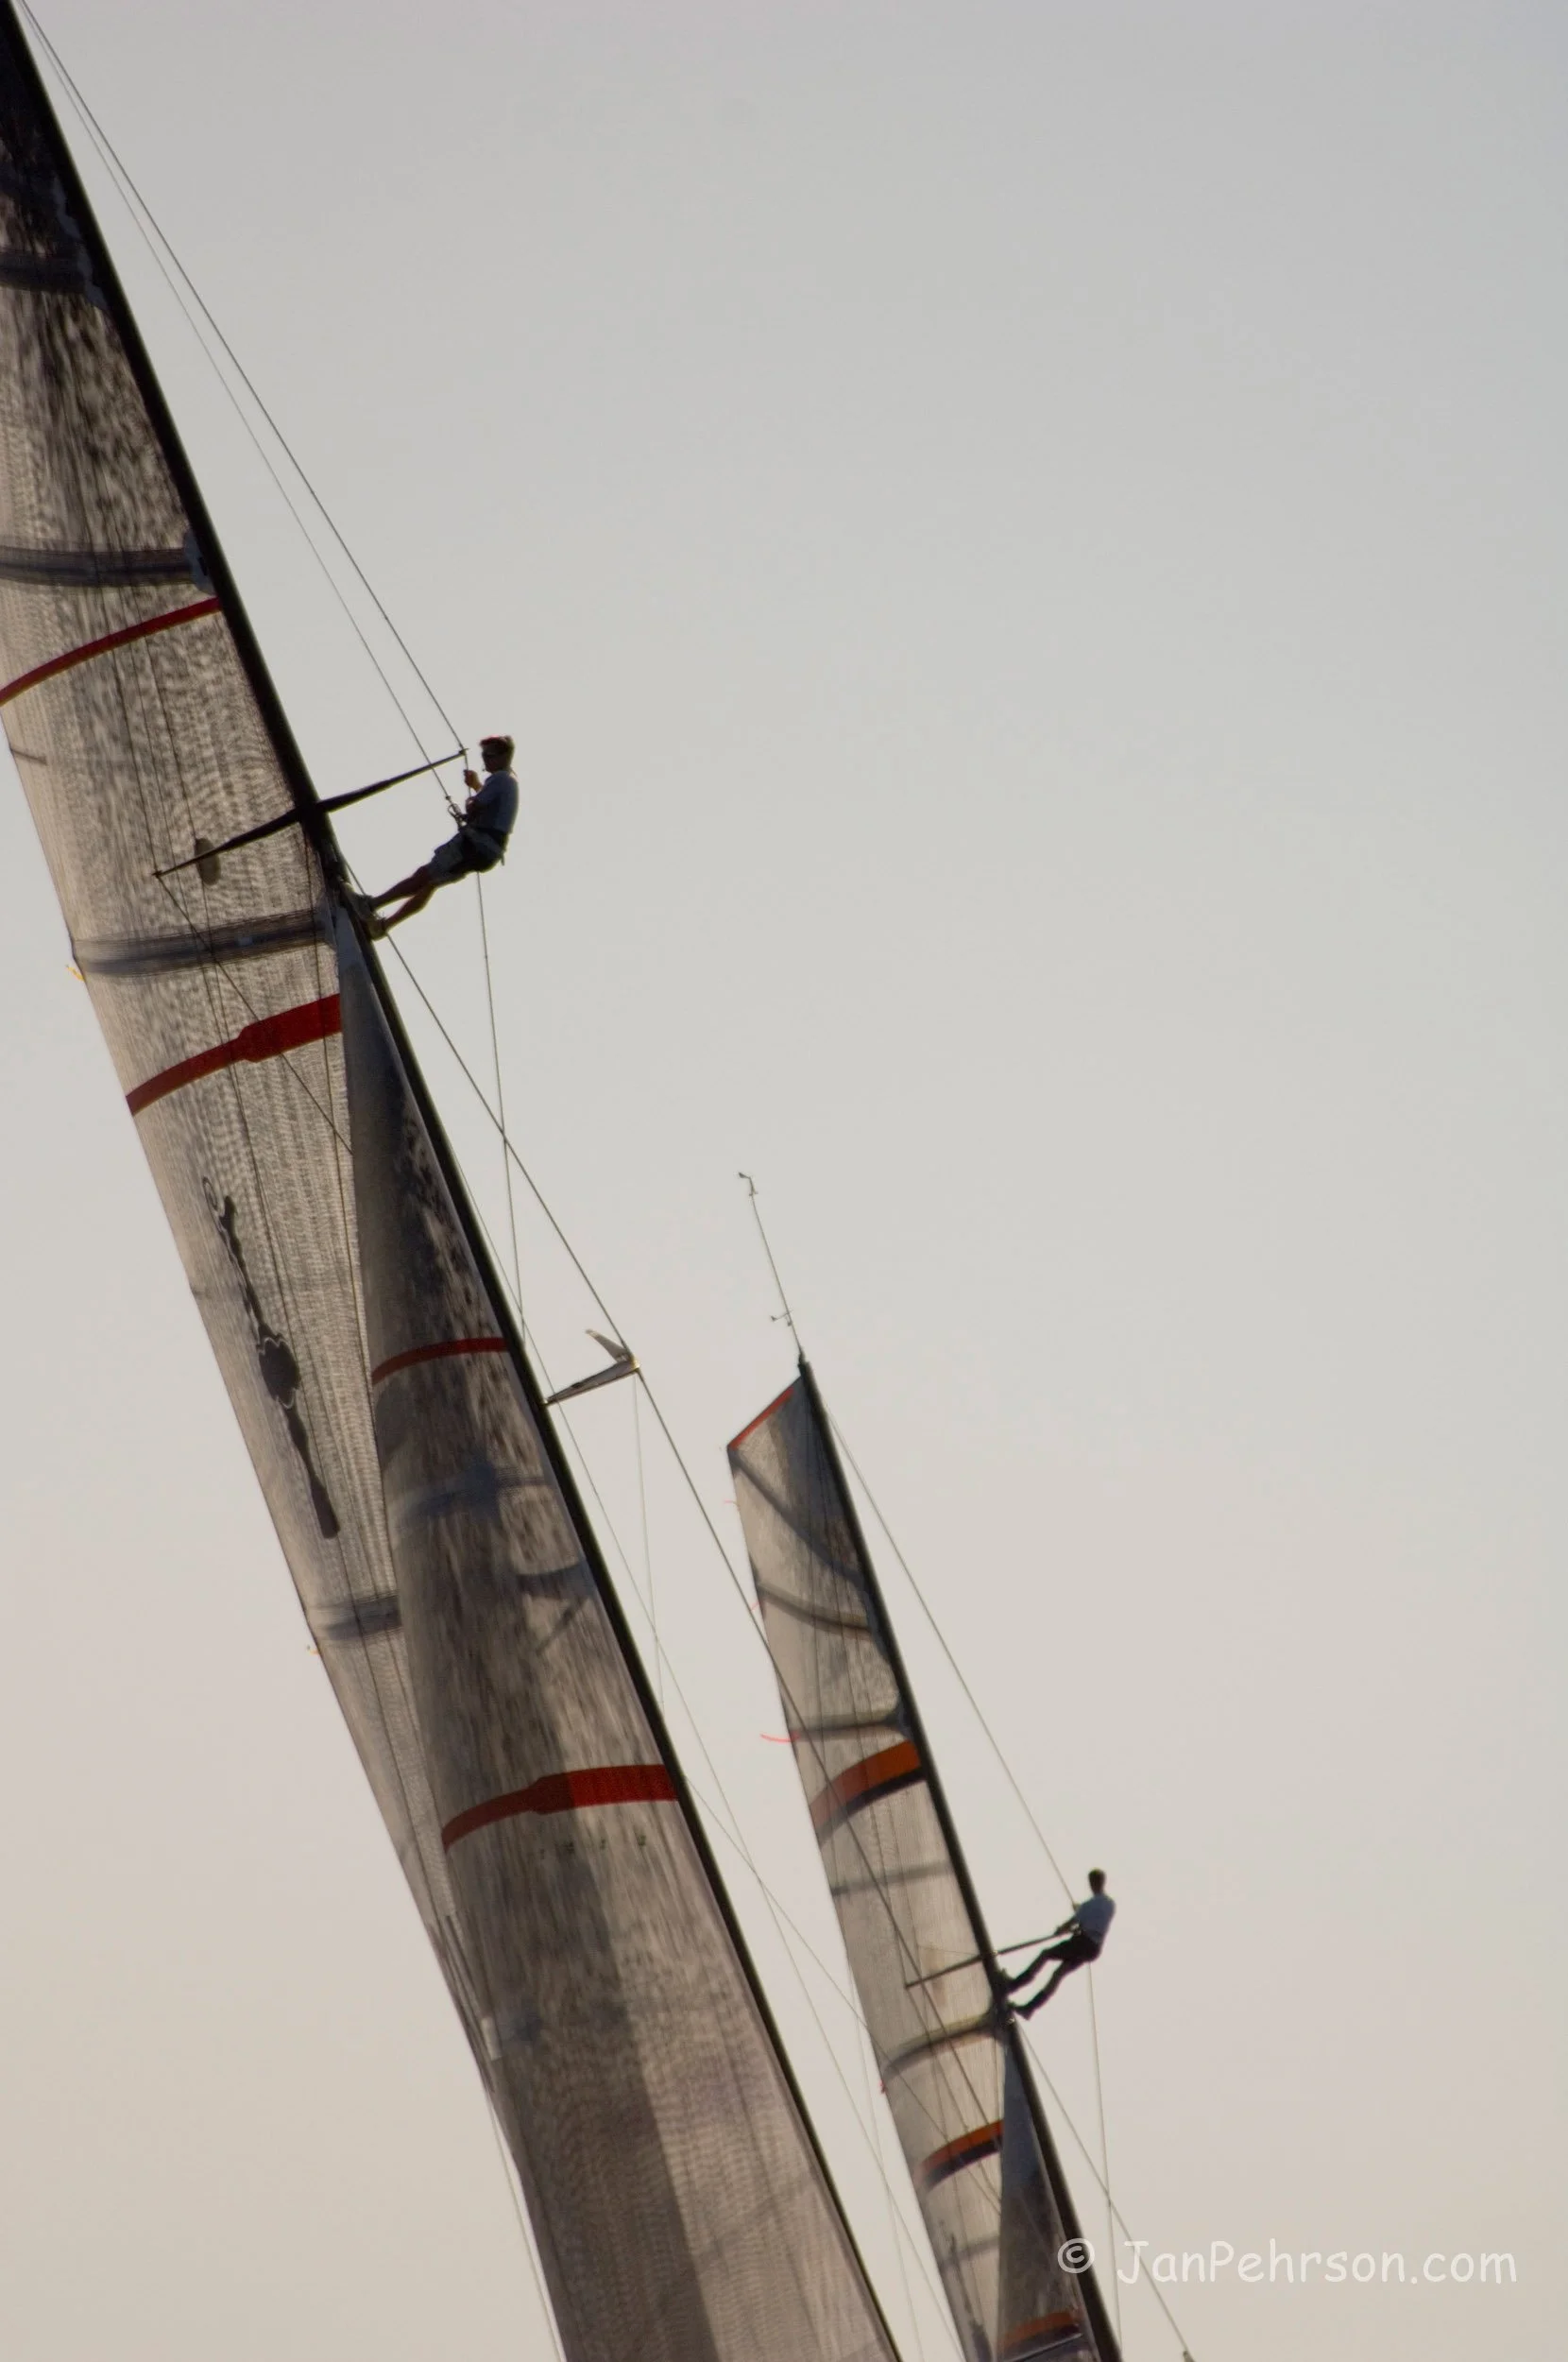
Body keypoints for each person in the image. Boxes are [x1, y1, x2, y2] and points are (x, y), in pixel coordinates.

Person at [358, 734, 519, 933]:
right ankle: (383, 926)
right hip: (488, 852)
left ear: (504, 756)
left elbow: (475, 807)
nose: (485, 760)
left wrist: (471, 800)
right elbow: (490, 808)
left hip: (475, 844)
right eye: (484, 755)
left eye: (490, 755)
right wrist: (477, 786)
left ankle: (371, 906)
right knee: (431, 883)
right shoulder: (509, 781)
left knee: (425, 875)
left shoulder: (500, 778)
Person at [1002, 1870, 1115, 2017]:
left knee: (1045, 1955)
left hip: (1082, 1942)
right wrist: (1079, 1913)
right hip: (1093, 1949)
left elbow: (1073, 1922)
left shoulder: (1088, 1905)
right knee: (1058, 1974)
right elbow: (1095, 1918)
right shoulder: (1110, 1904)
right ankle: (1029, 2008)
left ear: (1092, 1883)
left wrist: (1060, 1930)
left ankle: (1013, 1986)